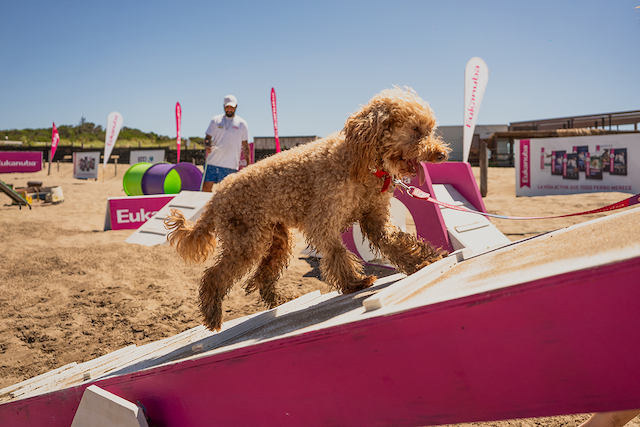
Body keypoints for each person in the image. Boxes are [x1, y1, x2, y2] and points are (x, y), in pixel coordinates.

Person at [201, 94, 251, 192]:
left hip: (230, 165)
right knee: (206, 188)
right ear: (224, 106)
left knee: (227, 192)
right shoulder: (215, 120)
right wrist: (207, 145)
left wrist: (249, 165)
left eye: (231, 107)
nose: (229, 109)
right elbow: (207, 137)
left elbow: (245, 145)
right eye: (227, 107)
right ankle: (207, 207)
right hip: (212, 162)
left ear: (236, 107)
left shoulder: (242, 124)